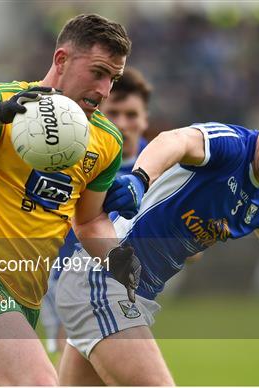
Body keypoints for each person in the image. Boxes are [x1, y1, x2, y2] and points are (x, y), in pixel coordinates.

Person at [56, 89, 259, 385]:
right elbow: (176, 141)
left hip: (130, 295)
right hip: (103, 281)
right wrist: (140, 179)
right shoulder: (231, 145)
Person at [0, 14, 141, 386]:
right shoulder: (2, 100)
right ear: (62, 60)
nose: (104, 90)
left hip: (25, 303)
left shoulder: (106, 140)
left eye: (113, 79)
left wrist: (121, 259)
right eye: (98, 72)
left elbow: (87, 222)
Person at [40, 67, 153, 357]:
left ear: (145, 120)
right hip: (66, 272)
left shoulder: (157, 166)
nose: (122, 123)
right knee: (76, 354)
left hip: (124, 281)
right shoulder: (77, 151)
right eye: (114, 113)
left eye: (131, 115)